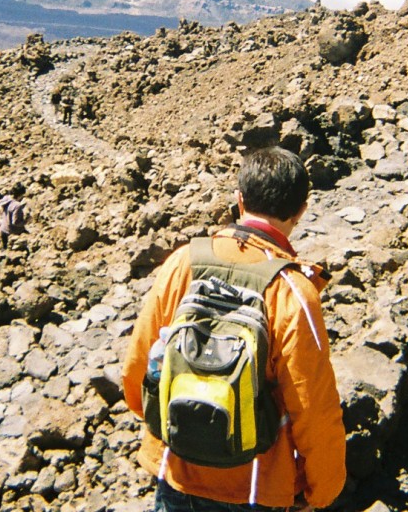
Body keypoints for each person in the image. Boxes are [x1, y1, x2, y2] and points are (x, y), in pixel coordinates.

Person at [123, 147, 346, 511]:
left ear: (239, 200)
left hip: (176, 469)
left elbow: (138, 369)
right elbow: (314, 410)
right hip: (256, 486)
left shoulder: (183, 262)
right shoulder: (292, 292)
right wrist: (321, 492)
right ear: (302, 209)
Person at [0, 183, 28, 248]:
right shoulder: (17, 205)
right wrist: (27, 221)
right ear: (20, 195)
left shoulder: (6, 198)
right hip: (12, 231)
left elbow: (0, 207)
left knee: (4, 248)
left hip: (3, 229)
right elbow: (15, 223)